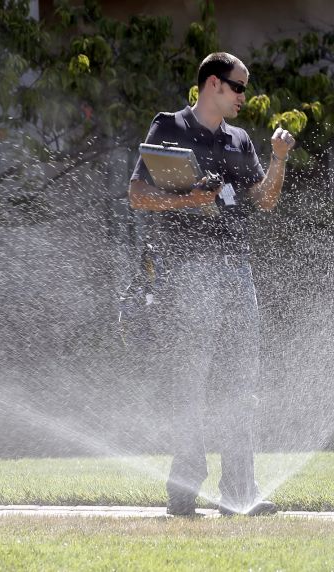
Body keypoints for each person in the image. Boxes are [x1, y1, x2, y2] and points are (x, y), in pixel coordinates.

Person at [128, 52, 295, 516]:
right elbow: (138, 195)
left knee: (242, 383)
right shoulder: (169, 128)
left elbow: (264, 201)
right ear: (214, 85)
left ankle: (239, 492)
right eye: (239, 87)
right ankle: (184, 491)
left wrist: (279, 160)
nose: (245, 95)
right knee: (192, 381)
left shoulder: (240, 140)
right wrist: (187, 200)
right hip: (188, 272)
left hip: (235, 270)